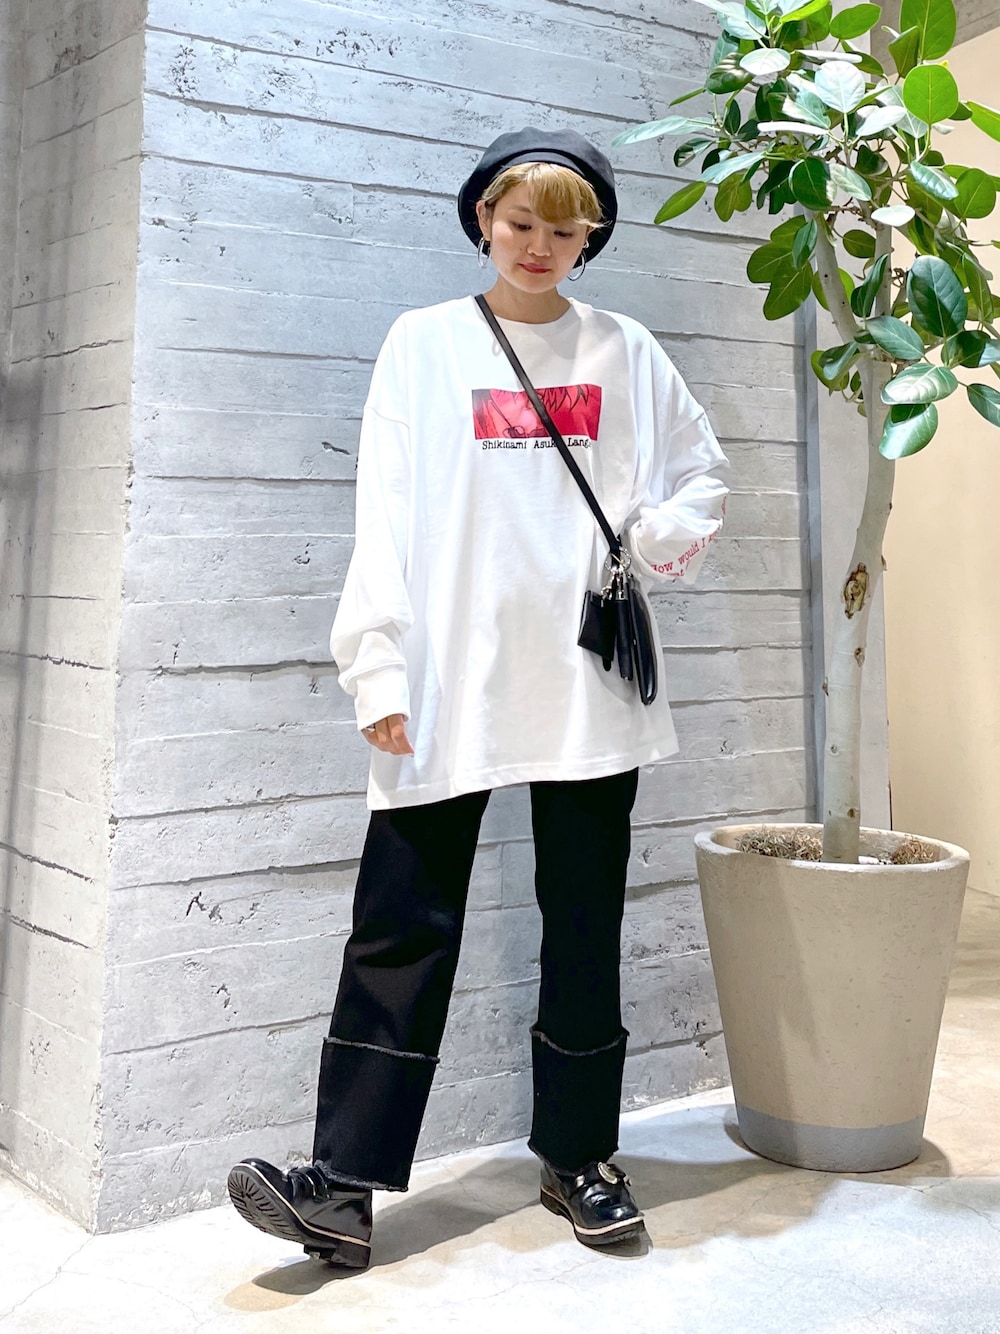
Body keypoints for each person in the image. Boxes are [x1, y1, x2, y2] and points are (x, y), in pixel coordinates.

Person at [227, 127, 730, 1270]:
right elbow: (384, 509)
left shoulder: (625, 348)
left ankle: (580, 1156)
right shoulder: (425, 342)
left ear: (590, 236)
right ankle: (342, 1183)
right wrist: (377, 666)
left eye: (564, 227)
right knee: (399, 921)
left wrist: (651, 533)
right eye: (520, 222)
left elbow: (701, 473)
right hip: (448, 676)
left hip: (583, 681)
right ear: (483, 222)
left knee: (584, 920)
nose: (539, 244)